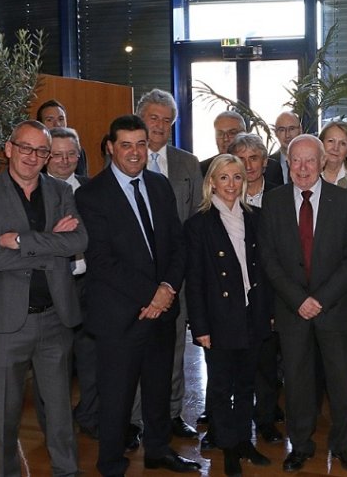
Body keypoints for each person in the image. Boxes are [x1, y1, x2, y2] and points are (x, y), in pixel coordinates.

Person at [76, 114, 200, 476]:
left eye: (141, 144)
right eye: (126, 145)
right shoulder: (91, 195)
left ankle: (158, 451)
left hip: (161, 313)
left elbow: (178, 245)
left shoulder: (160, 186)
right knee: (116, 399)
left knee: (159, 391)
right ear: (111, 148)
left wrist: (167, 290)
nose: (134, 152)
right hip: (120, 317)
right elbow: (101, 260)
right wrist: (153, 295)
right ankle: (111, 463)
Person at [0, 121, 85, 477]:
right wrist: (51, 242)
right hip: (6, 323)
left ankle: (66, 471)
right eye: (25, 147)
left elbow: (78, 242)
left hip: (55, 317)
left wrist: (21, 241)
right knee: (5, 416)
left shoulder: (60, 192)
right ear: (9, 148)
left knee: (59, 411)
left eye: (40, 151)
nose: (32, 157)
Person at [261, 134, 347, 471]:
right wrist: (299, 300)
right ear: (287, 164)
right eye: (296, 160)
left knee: (341, 385)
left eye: (310, 160)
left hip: (333, 309)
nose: (303, 167)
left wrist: (319, 299)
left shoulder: (344, 200)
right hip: (292, 312)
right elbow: (269, 259)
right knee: (297, 383)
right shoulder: (273, 201)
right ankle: (301, 445)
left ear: (323, 162)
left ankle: (344, 446)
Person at [184, 155, 272, 476]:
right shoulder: (198, 224)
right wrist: (200, 326)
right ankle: (229, 449)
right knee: (221, 387)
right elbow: (194, 281)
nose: (231, 184)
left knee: (247, 384)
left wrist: (269, 313)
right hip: (219, 319)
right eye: (224, 178)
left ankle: (245, 442)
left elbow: (266, 269)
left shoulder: (257, 218)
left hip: (253, 314)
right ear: (212, 183)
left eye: (237, 177)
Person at [136, 89, 202, 440]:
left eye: (166, 120)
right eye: (153, 118)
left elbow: (195, 220)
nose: (160, 126)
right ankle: (135, 420)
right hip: (133, 274)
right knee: (135, 347)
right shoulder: (124, 157)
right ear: (141, 119)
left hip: (176, 274)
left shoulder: (188, 163)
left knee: (175, 347)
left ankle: (173, 413)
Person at [227, 132, 284, 443]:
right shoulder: (224, 195)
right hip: (232, 297)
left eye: (254, 158)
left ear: (265, 162)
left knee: (266, 365)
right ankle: (231, 423)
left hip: (269, 295)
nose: (248, 166)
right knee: (231, 365)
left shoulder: (281, 196)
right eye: (242, 159)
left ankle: (265, 421)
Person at [45, 127, 97, 438]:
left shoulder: (92, 190)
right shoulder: (33, 194)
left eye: (71, 154)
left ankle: (89, 418)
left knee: (91, 358)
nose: (65, 161)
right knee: (56, 363)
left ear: (79, 156)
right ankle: (57, 426)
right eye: (57, 154)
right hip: (53, 287)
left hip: (90, 285)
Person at [36, 99, 88, 177]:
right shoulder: (35, 152)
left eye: (61, 119)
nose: (57, 124)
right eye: (49, 120)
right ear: (41, 125)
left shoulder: (77, 150)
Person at [199, 111, 247, 177]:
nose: (225, 139)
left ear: (244, 134)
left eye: (232, 133)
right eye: (220, 134)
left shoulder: (255, 167)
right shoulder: (202, 170)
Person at [266, 111, 302, 187]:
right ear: (275, 133)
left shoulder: (312, 161)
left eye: (292, 129)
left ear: (300, 130)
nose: (287, 135)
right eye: (282, 130)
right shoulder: (267, 165)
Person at [320, 122, 347, 187]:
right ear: (321, 144)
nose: (335, 148)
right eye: (331, 141)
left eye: (342, 143)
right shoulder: (309, 175)